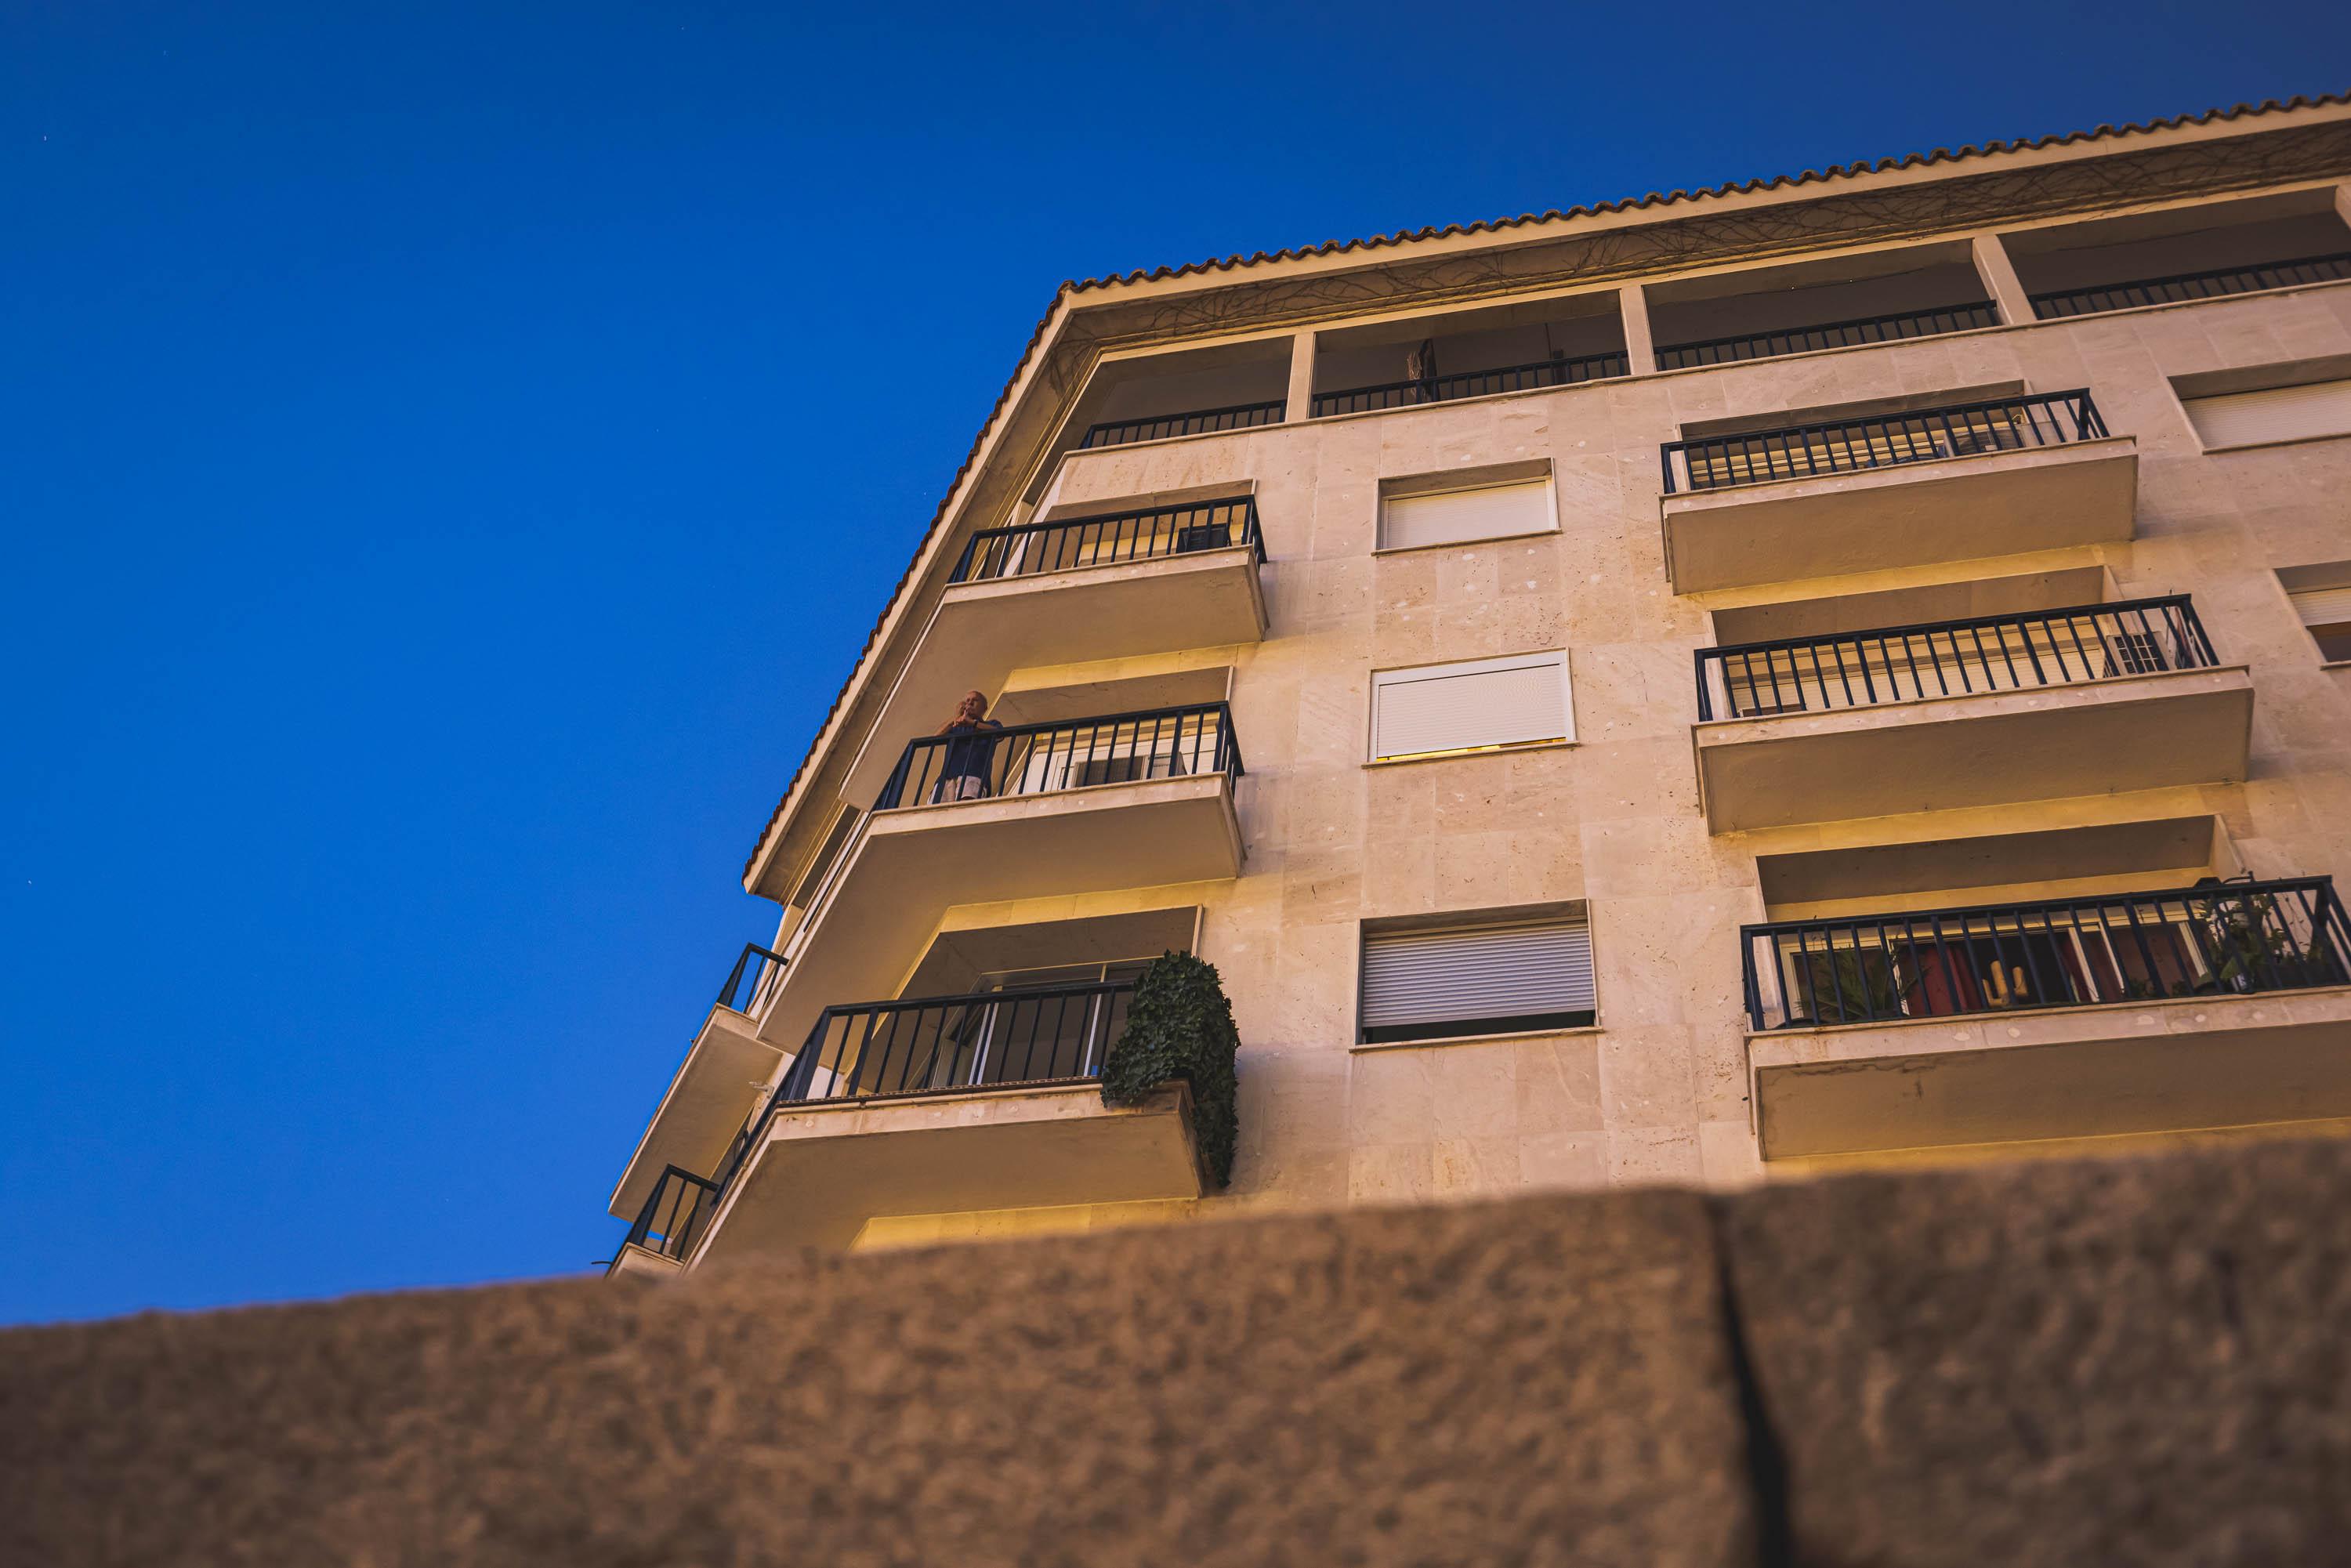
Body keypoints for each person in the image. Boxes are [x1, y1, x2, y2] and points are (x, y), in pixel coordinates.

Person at [930, 690, 1004, 802]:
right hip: (946, 778)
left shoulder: (991, 724)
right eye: (967, 700)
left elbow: (1000, 734)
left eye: (975, 700)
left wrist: (972, 723)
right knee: (937, 811)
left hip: (973, 775)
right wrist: (956, 717)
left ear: (984, 708)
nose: (970, 703)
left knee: (966, 806)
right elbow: (935, 738)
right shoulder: (956, 727)